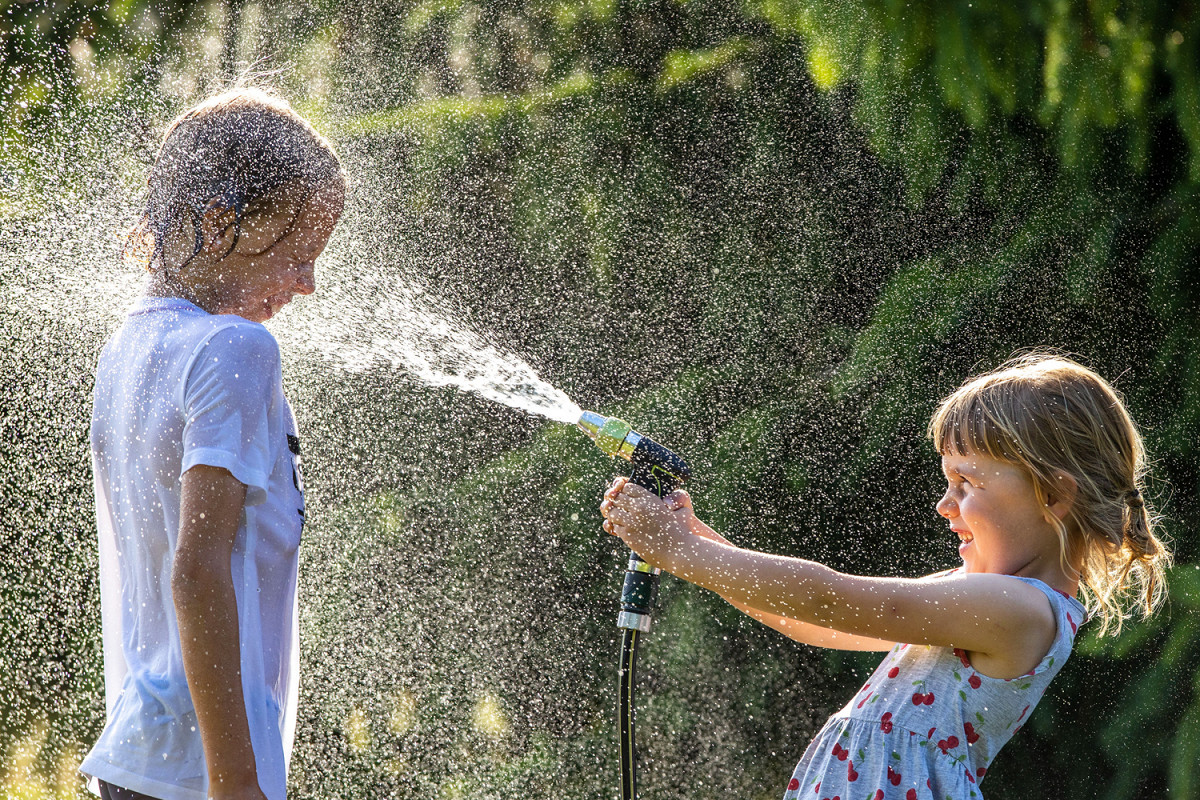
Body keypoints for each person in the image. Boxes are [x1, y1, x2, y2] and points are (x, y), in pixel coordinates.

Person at [600, 353, 1170, 800]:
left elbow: (832, 596)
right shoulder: (979, 603)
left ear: (1054, 494)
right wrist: (697, 541)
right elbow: (809, 620)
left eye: (966, 484)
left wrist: (676, 550)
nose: (945, 505)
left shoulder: (1019, 610)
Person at [81, 87, 345, 800]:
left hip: (140, 755)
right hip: (205, 773)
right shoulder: (238, 347)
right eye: (298, 254)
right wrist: (236, 783)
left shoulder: (129, 345)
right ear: (221, 223)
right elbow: (196, 572)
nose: (309, 284)